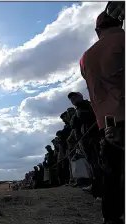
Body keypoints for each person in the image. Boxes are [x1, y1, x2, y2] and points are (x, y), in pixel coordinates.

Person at [79, 10, 124, 224]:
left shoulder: (85, 57)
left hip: (107, 123)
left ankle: (112, 219)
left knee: (112, 177)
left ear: (98, 30)